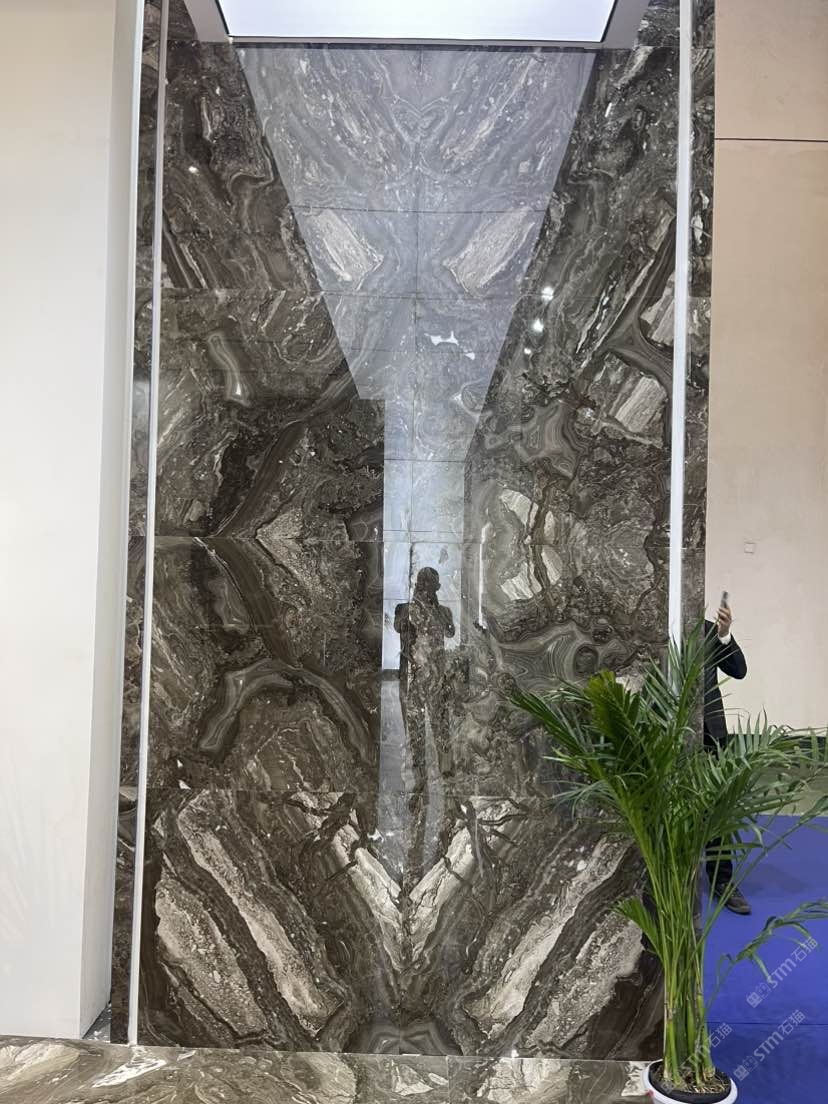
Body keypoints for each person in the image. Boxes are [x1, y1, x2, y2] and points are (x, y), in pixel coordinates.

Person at [704, 599, 750, 914]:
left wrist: (724, 633)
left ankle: (722, 880)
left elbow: (739, 670)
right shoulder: (649, 635)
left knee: (718, 809)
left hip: (710, 734)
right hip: (664, 734)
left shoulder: (708, 633)